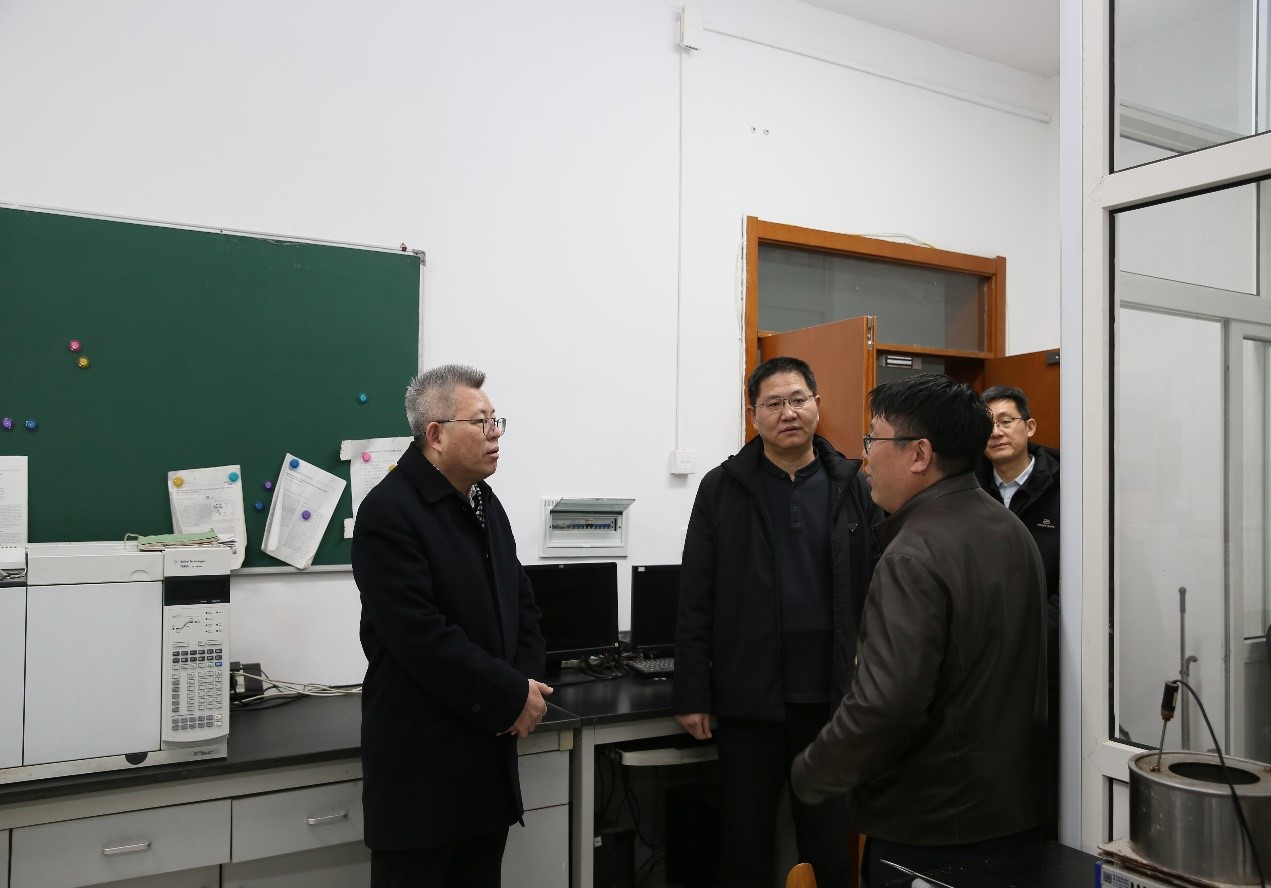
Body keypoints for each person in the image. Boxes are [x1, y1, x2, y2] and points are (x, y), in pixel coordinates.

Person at [790, 373, 1048, 885]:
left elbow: (887, 705)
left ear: (920, 454)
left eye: (873, 440)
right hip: (1013, 818)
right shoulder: (1011, 530)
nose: (865, 459)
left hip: (930, 831)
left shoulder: (912, 555)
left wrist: (812, 771)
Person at [674, 355, 884, 888]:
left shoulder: (852, 484)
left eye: (797, 400)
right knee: (745, 847)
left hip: (832, 700)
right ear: (753, 415)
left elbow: (879, 584)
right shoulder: (723, 487)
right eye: (773, 404)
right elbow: (696, 594)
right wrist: (692, 691)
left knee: (829, 847)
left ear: (817, 404)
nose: (788, 413)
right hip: (750, 699)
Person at [352, 364, 551, 888]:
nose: (495, 434)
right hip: (424, 769)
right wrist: (512, 695)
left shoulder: (484, 503)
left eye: (496, 420)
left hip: (486, 760)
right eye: (481, 422)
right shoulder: (388, 512)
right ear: (436, 435)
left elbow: (522, 604)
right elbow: (421, 636)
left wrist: (527, 686)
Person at [974, 383, 1060, 836]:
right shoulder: (968, 488)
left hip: (1049, 664)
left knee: (1048, 785)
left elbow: (1077, 587)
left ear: (1029, 427)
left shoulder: (1067, 487)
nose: (996, 432)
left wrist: (1029, 640)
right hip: (984, 667)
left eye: (1005, 421)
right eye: (986, 424)